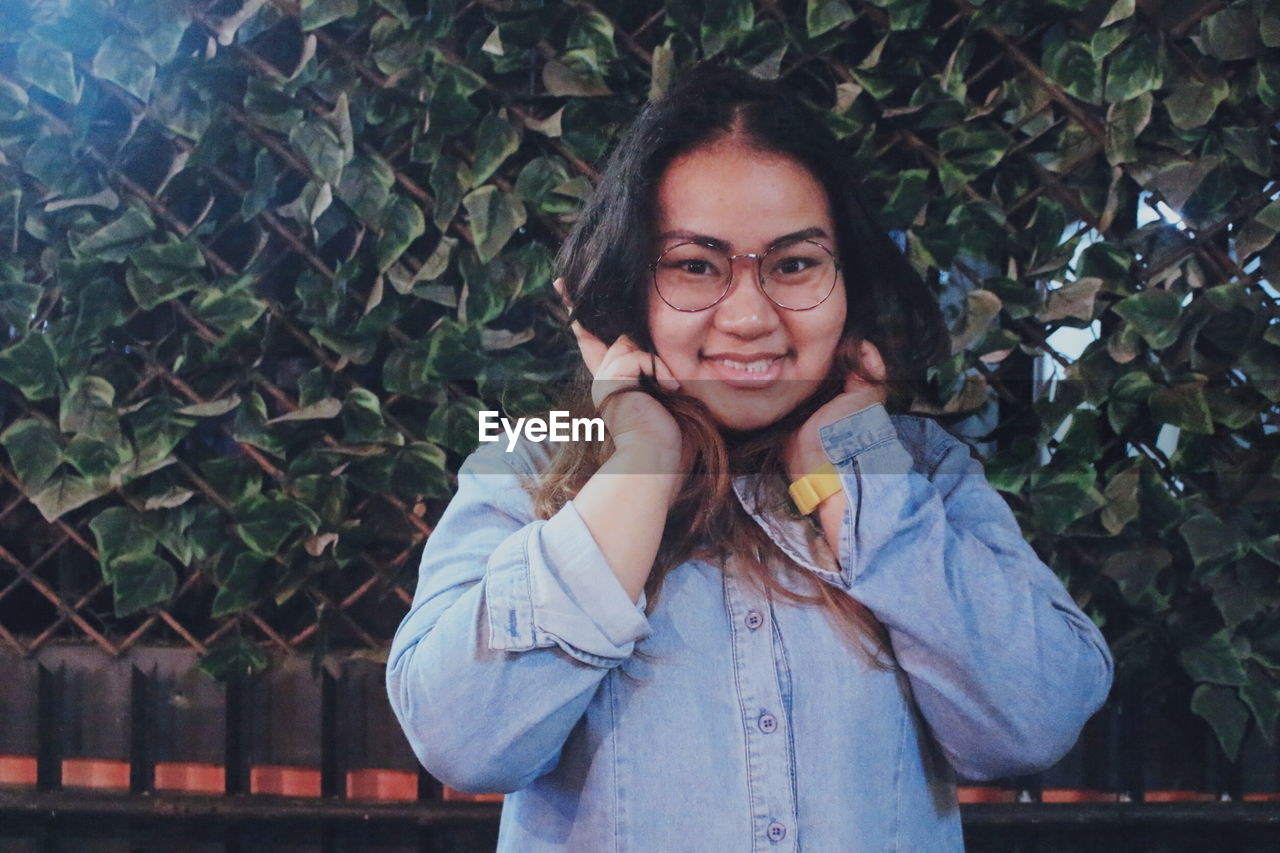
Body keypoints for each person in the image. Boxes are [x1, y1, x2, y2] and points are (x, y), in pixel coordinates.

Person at [387, 66, 1113, 851]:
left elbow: (1029, 724)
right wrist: (644, 461)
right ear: (631, 284)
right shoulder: (530, 472)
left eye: (794, 264)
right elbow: (462, 740)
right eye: (695, 265)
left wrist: (850, 464)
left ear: (847, 280)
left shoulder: (924, 472)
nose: (748, 316)